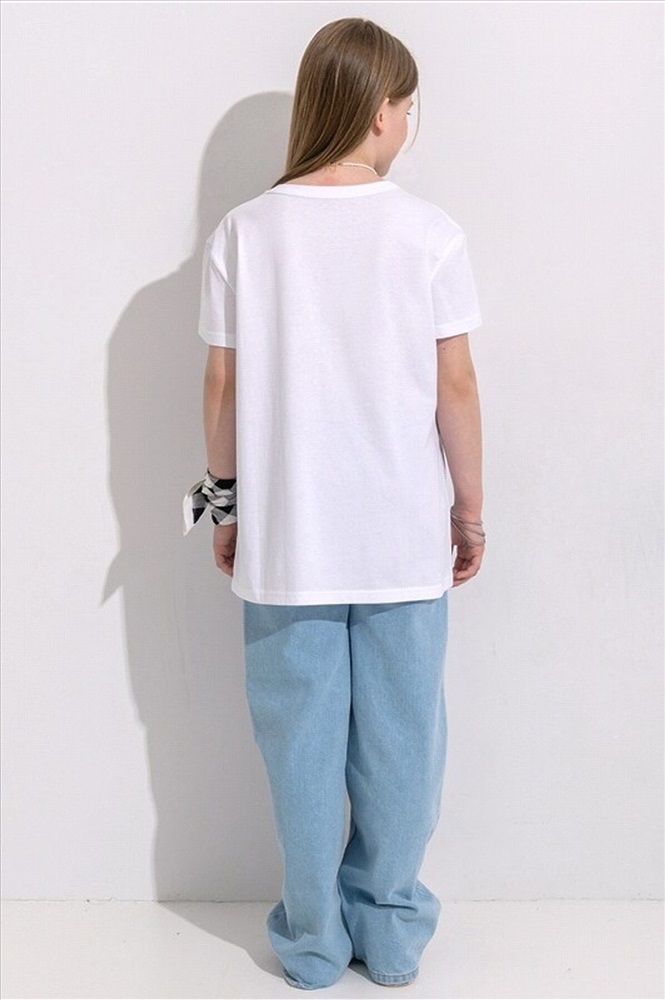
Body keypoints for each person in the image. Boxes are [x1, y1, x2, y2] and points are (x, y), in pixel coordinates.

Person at [183, 16, 486, 991]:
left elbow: (222, 388)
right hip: (400, 535)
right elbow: (455, 388)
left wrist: (225, 506)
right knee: (402, 746)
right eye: (408, 105)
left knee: (300, 750)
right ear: (381, 111)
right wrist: (468, 510)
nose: (408, 122)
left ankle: (312, 943)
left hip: (288, 541)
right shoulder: (427, 232)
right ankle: (389, 934)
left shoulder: (245, 231)